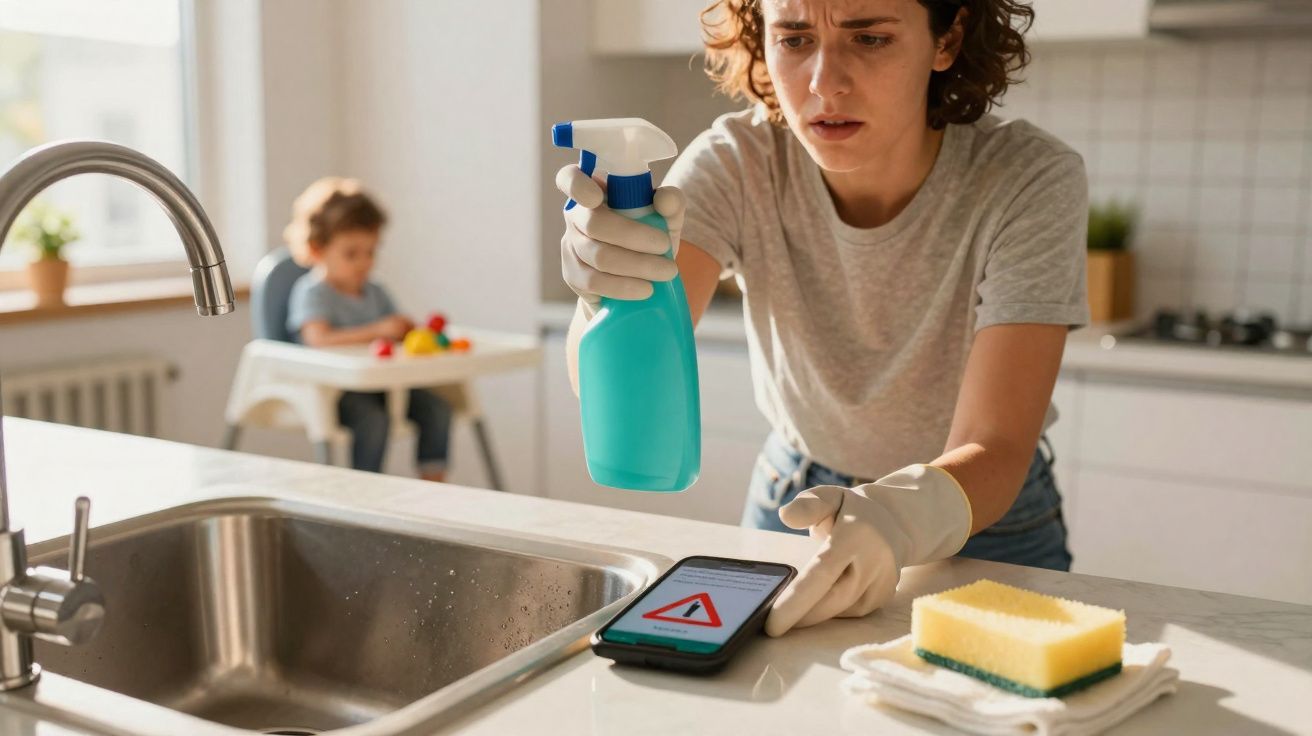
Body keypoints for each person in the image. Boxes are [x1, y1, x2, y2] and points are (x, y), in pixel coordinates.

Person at [557, 0, 1087, 637]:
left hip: (982, 514)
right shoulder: (739, 161)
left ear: (946, 40)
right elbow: (620, 389)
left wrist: (902, 516)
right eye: (796, 38)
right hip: (798, 495)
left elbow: (998, 447)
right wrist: (605, 298)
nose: (823, 82)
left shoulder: (1027, 179)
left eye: (869, 39)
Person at [284, 177, 453, 482]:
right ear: (317, 250)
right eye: (351, 253)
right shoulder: (312, 292)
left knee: (438, 409)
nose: (364, 262)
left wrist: (407, 331)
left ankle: (435, 486)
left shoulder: (375, 291)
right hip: (337, 390)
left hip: (383, 382)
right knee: (374, 420)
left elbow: (396, 331)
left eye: (371, 252)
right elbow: (317, 339)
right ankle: (366, 490)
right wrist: (378, 330)